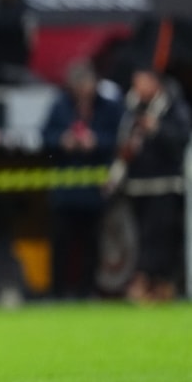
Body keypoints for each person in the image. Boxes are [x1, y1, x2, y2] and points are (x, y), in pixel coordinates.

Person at [106, 64, 192, 303]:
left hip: (165, 183)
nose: (138, 87)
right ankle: (149, 282)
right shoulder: (130, 108)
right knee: (141, 236)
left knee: (162, 235)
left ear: (155, 83)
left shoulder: (173, 107)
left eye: (142, 81)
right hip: (137, 183)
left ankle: (157, 281)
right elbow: (121, 143)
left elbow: (182, 140)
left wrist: (157, 129)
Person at [40, 63, 123, 299]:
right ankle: (57, 292)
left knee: (91, 242)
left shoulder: (108, 107)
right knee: (61, 241)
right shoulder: (60, 106)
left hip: (95, 188)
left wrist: (96, 142)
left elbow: (119, 139)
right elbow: (45, 139)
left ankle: (87, 290)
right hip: (65, 187)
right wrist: (62, 141)